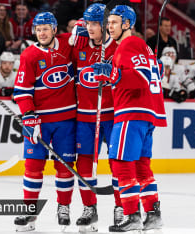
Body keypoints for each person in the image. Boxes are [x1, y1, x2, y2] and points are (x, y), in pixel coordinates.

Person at [93, 5, 166, 232]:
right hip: (146, 114)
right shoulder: (142, 47)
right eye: (109, 23)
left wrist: (111, 73)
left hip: (131, 113)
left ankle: (132, 216)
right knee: (142, 166)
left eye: (114, 22)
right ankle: (153, 215)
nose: (109, 27)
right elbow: (157, 71)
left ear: (127, 24)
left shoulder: (128, 44)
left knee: (121, 164)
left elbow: (138, 78)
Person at [13, 12, 77, 231]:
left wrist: (81, 26)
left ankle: (64, 207)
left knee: (65, 167)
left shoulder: (68, 44)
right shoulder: (29, 55)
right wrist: (28, 115)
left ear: (54, 29)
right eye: (38, 29)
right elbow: (22, 92)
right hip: (38, 122)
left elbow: (85, 31)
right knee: (32, 167)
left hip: (66, 121)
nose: (41, 33)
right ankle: (29, 212)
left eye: (45, 28)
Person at [71, 3, 121, 232]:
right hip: (85, 117)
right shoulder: (79, 43)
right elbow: (60, 43)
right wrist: (74, 31)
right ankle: (89, 208)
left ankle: (121, 208)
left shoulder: (117, 47)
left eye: (95, 24)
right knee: (84, 164)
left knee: (118, 163)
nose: (90, 28)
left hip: (111, 116)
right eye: (88, 23)